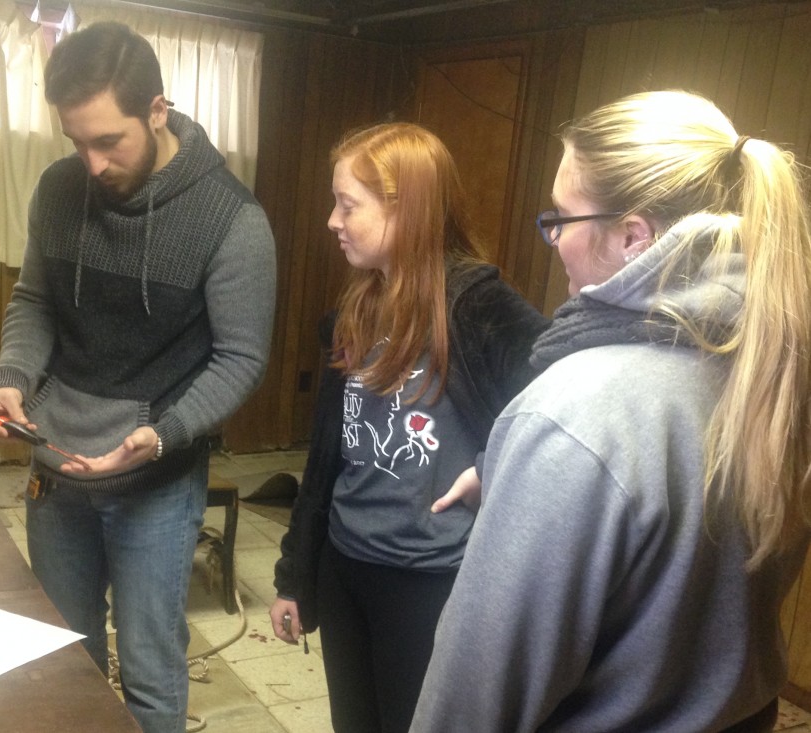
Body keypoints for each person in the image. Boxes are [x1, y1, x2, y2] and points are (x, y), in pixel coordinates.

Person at [410, 90, 811, 732]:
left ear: (633, 236)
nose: (553, 241)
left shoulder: (572, 415)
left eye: (562, 219)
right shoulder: (779, 372)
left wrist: (552, 460)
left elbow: (476, 701)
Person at [0, 21, 276, 733]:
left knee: (148, 667)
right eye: (77, 141)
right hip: (58, 469)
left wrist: (162, 434)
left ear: (158, 111)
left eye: (110, 140)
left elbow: (241, 359)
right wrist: (11, 375)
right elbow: (35, 301)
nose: (93, 161)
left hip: (154, 483)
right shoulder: (59, 189)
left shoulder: (231, 220)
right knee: (60, 653)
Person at [268, 122, 549, 733]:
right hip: (347, 568)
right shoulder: (357, 307)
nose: (331, 221)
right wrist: (296, 575)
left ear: (409, 210)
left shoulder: (476, 305)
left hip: (429, 583)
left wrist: (494, 464)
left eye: (348, 205)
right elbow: (325, 459)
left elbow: (564, 402)